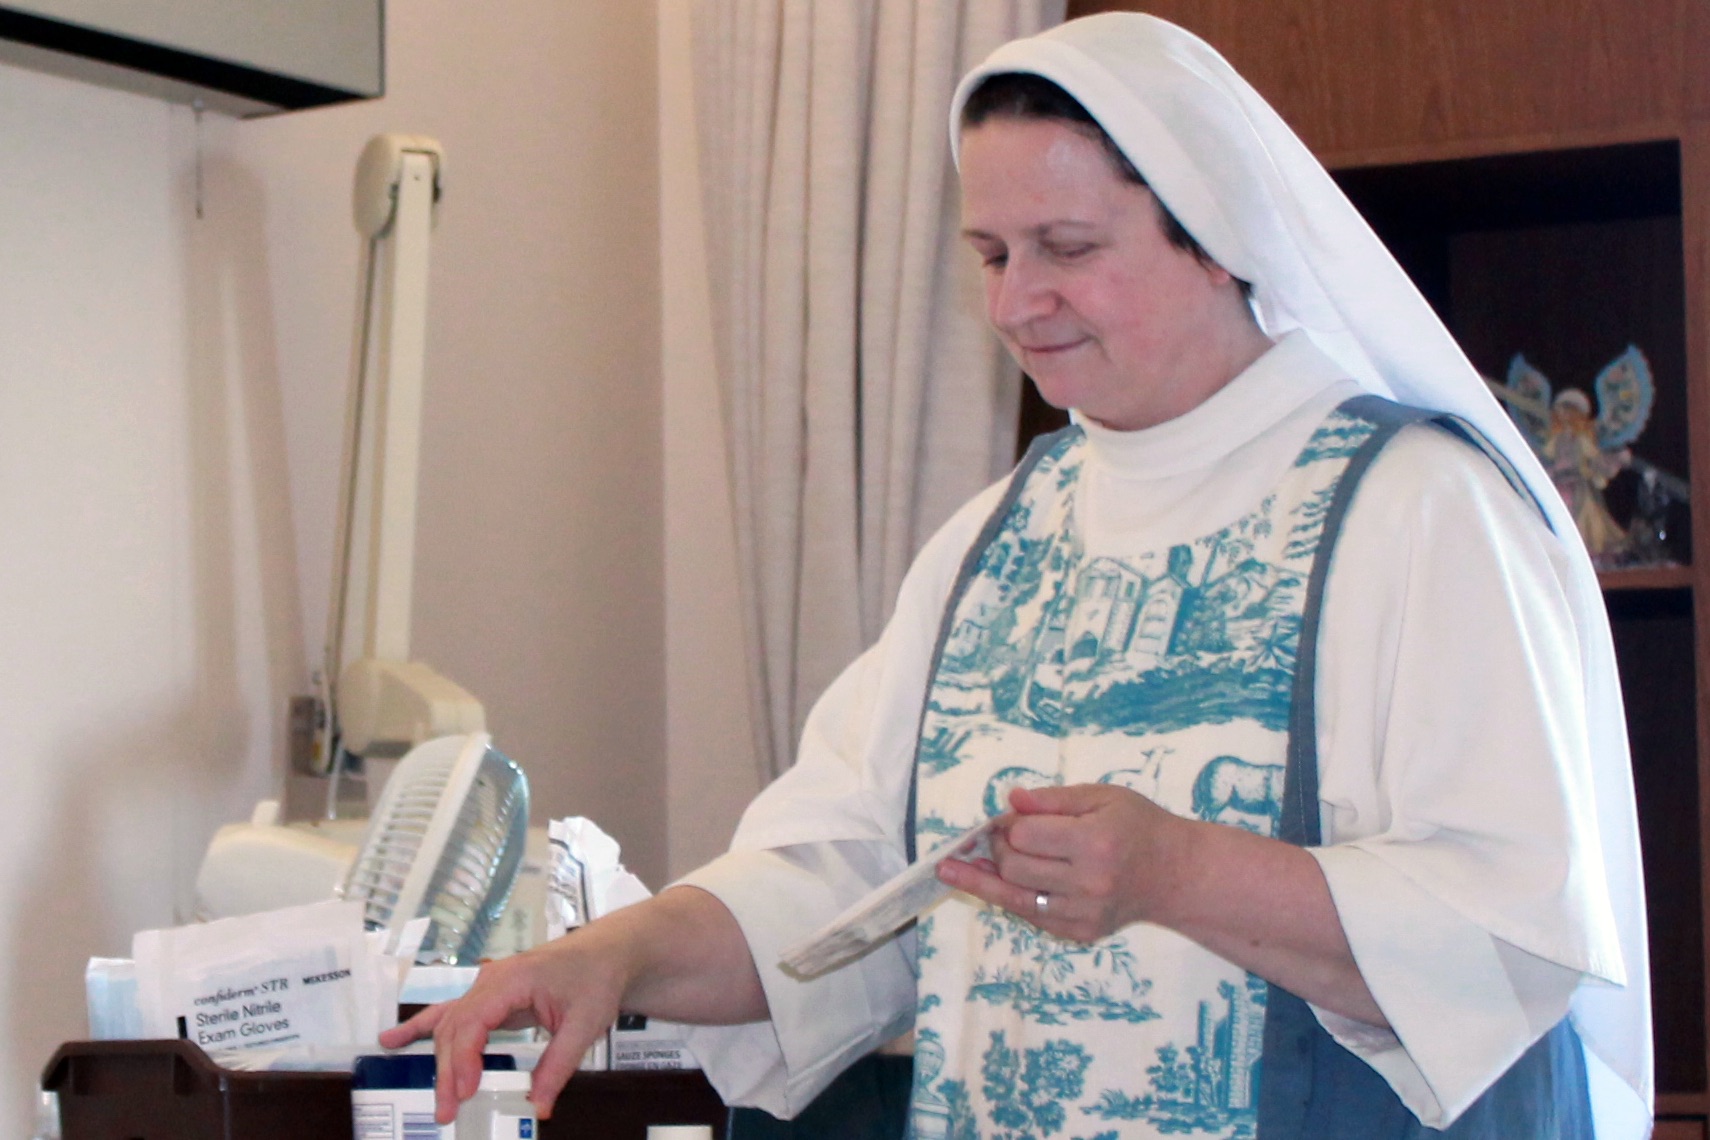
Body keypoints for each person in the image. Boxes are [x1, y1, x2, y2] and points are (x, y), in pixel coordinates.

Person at [383, 13, 1651, 1138]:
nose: (1020, 301)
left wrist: (1175, 871)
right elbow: (843, 889)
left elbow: (1512, 933)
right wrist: (616, 956)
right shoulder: (999, 534)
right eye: (992, 254)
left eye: (1068, 245)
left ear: (1215, 237)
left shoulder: (1421, 509)